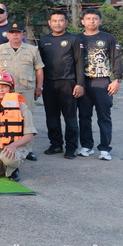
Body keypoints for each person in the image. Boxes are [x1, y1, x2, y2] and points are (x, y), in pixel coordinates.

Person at [0, 22, 44, 161]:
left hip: (26, 89)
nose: (15, 35)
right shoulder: (0, 49)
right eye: (12, 33)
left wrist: (39, 87)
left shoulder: (32, 50)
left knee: (27, 119)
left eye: (18, 33)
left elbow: (39, 69)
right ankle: (6, 145)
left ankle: (28, 150)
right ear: (7, 35)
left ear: (23, 34)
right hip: (6, 91)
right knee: (7, 118)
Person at [77, 8, 122, 160]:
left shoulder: (108, 38)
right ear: (82, 21)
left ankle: (104, 149)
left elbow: (116, 59)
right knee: (84, 116)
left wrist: (117, 80)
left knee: (104, 116)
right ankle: (86, 146)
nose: (92, 21)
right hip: (83, 82)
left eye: (95, 18)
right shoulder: (77, 39)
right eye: (88, 18)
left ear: (100, 21)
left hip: (102, 81)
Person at [38, 10, 84, 159]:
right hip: (49, 84)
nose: (57, 23)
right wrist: (39, 85)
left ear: (66, 22)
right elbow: (39, 65)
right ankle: (56, 144)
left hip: (68, 83)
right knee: (51, 117)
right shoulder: (44, 40)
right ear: (49, 23)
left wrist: (80, 84)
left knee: (70, 118)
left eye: (61, 20)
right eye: (54, 21)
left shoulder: (73, 39)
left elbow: (79, 62)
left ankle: (71, 147)